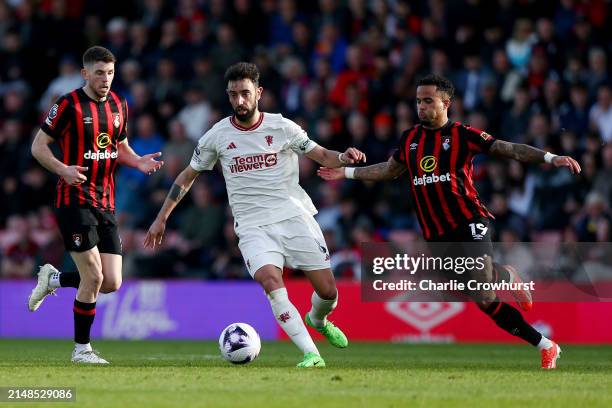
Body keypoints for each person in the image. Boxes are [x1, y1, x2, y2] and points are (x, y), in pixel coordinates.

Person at [318, 74, 582, 369]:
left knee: (481, 286)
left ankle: (504, 281)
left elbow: (509, 149)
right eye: (418, 101)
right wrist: (347, 173)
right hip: (436, 234)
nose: (421, 106)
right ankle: (545, 342)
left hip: (470, 220)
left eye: (428, 100)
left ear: (445, 103)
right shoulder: (410, 139)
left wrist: (550, 158)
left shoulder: (463, 135)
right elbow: (389, 171)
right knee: (484, 299)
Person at [144, 62, 366, 368]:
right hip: (252, 226)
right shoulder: (216, 136)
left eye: (245, 93)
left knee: (327, 291)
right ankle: (311, 354)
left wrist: (343, 157)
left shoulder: (282, 127)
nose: (239, 101)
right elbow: (186, 176)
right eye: (233, 94)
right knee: (270, 280)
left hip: (293, 217)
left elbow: (321, 154)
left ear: (258, 93)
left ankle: (318, 319)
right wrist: (162, 217)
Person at [28, 46, 164, 364]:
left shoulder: (119, 104)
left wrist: (137, 162)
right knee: (93, 276)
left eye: (111, 73)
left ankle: (54, 280)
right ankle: (82, 350)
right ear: (85, 73)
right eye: (100, 72)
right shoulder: (67, 105)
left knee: (112, 281)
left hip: (105, 201)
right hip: (73, 200)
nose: (106, 79)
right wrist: (63, 169)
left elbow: (119, 146)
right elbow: (38, 146)